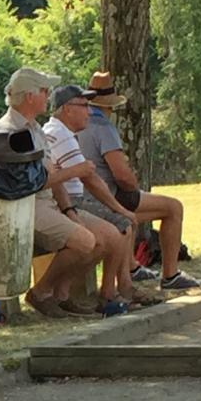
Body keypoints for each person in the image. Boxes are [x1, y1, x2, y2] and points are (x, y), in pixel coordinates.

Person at [0, 68, 101, 320]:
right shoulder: (9, 132)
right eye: (44, 91)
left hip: (45, 203)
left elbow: (51, 175)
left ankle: (60, 297)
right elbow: (32, 183)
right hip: (23, 207)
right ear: (29, 96)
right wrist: (75, 171)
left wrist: (69, 210)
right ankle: (41, 294)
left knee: (102, 240)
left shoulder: (35, 129)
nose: (48, 96)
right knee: (85, 241)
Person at [79, 72, 201, 293]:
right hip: (107, 195)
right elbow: (121, 174)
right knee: (173, 208)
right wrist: (133, 187)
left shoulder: (78, 124)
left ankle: (133, 267)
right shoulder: (104, 128)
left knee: (132, 214)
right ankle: (170, 274)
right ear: (110, 103)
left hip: (82, 196)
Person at [42, 86, 143, 316]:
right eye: (84, 106)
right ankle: (109, 294)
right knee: (120, 228)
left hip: (71, 201)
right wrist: (120, 209)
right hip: (68, 202)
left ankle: (71, 293)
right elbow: (91, 179)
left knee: (115, 229)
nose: (89, 112)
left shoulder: (61, 131)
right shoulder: (60, 134)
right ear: (67, 109)